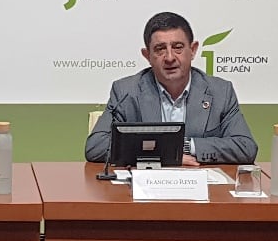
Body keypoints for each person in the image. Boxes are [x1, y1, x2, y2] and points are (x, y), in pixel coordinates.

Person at [84, 11, 257, 166]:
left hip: (202, 191)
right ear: (148, 56)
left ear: (193, 50)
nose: (169, 57)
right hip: (145, 191)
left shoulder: (220, 91)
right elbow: (96, 147)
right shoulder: (126, 91)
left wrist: (186, 146)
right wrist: (164, 154)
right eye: (160, 49)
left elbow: (245, 147)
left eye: (178, 47)